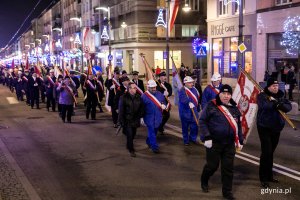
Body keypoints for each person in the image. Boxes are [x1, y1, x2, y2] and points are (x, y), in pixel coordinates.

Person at [200, 84, 244, 200]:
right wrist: (207, 137)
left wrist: (240, 139)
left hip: (229, 144)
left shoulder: (234, 108)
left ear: (231, 95)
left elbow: (238, 125)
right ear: (219, 94)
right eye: (223, 93)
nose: (226, 96)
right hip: (214, 142)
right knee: (212, 166)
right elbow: (202, 121)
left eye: (228, 94)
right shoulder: (211, 105)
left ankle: (227, 192)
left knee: (228, 168)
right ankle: (204, 179)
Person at [256, 78, 292, 188]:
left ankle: (269, 175)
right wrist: (275, 104)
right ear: (268, 87)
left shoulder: (281, 95)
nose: (275, 88)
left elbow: (288, 107)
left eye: (276, 86)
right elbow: (264, 106)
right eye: (273, 86)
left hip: (276, 128)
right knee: (266, 152)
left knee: (271, 152)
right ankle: (263, 178)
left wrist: (279, 104)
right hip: (264, 127)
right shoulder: (262, 95)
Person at [118, 82, 144, 157]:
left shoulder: (138, 97)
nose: (136, 89)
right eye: (134, 88)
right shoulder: (123, 97)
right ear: (129, 89)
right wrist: (121, 121)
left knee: (133, 134)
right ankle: (131, 149)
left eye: (136, 87)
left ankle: (129, 144)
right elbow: (121, 110)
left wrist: (141, 115)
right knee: (129, 134)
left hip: (135, 119)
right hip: (127, 120)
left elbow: (141, 108)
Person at [142, 80, 167, 153]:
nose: (154, 89)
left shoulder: (159, 94)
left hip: (158, 117)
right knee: (151, 131)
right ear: (148, 87)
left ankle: (148, 141)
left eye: (155, 87)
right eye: (152, 88)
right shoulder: (144, 96)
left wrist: (164, 105)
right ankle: (154, 147)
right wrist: (141, 117)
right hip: (148, 117)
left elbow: (164, 102)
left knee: (154, 131)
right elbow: (141, 108)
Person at [178, 76, 200, 145]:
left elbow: (197, 98)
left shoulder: (194, 89)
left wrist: (197, 107)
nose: (192, 84)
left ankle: (193, 138)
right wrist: (188, 102)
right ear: (185, 83)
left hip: (194, 110)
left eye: (192, 82)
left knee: (195, 126)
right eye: (190, 83)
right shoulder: (182, 90)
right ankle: (186, 141)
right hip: (185, 111)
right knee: (185, 127)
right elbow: (182, 99)